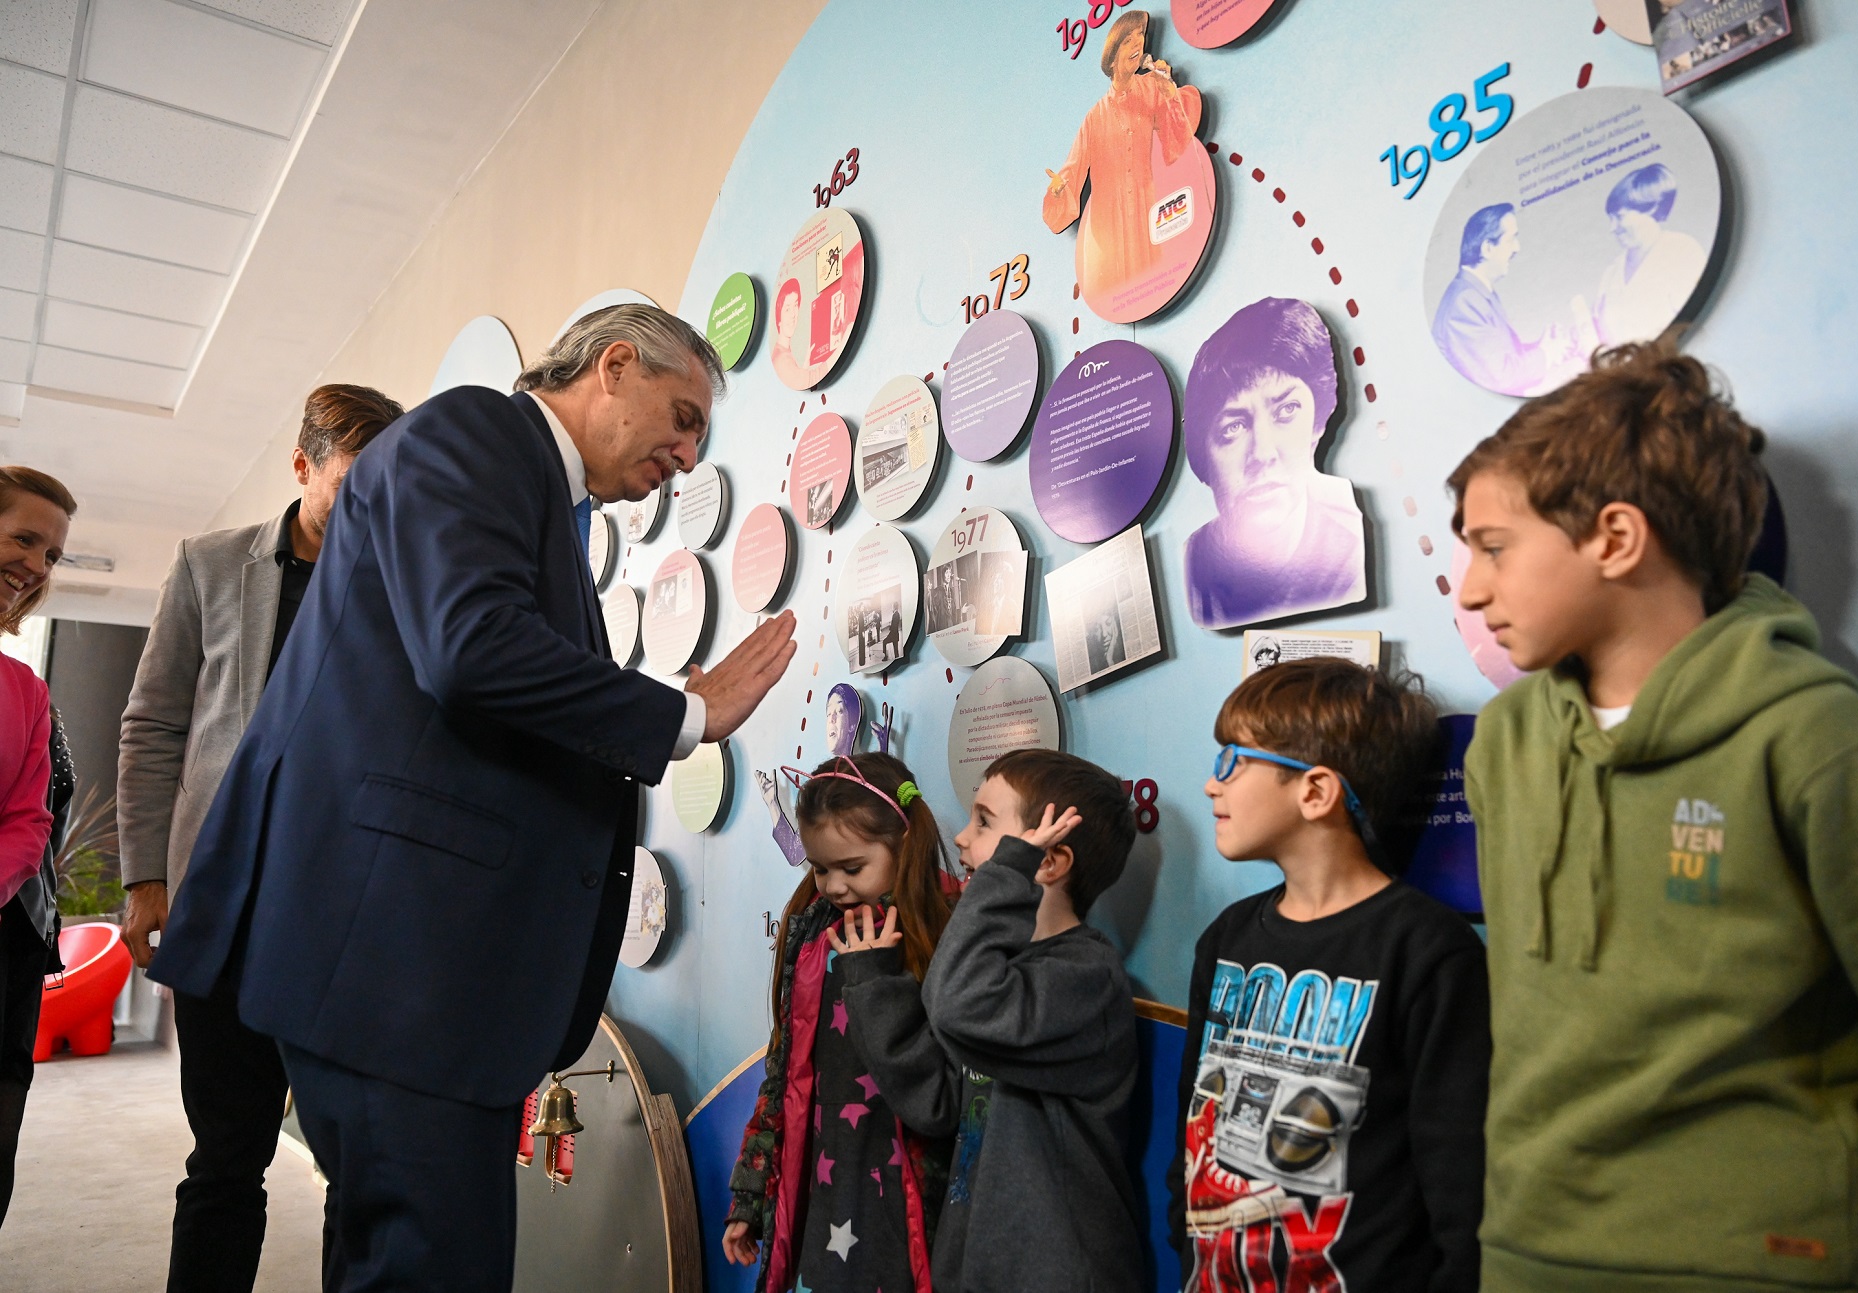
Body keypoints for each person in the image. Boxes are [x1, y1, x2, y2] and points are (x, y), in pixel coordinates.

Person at [147, 304, 798, 1291]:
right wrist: (683, 717)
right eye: (681, 416)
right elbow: (473, 649)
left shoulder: (529, 488)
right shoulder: (479, 431)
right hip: (399, 972)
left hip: (419, 979)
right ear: (613, 366)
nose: (686, 453)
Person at [1449, 342, 1858, 1292]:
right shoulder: (1504, 745)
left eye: (1494, 546)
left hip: (1758, 1261)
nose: (1469, 587)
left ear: (1617, 538)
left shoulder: (1818, 742)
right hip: (1528, 1251)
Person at [116, 384, 401, 1290]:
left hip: (344, 915)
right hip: (225, 903)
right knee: (226, 1156)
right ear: (303, 464)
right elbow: (154, 725)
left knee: (353, 1165)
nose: (374, 496)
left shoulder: (403, 579)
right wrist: (142, 878)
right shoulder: (210, 565)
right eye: (357, 473)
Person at [1169, 658, 1488, 1292]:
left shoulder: (1426, 949)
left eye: (1233, 760)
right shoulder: (1227, 938)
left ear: (1315, 792)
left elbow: (1459, 1181)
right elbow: (1192, 1124)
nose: (1212, 785)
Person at [845, 747, 1144, 1292]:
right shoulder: (1004, 972)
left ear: (1046, 862)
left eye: (984, 821)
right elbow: (935, 1103)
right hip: (978, 1265)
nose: (961, 837)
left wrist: (1007, 869)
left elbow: (959, 1006)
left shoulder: (1085, 978)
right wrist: (875, 987)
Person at [723, 753, 957, 1293]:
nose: (833, 886)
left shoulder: (946, 925)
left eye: (852, 868)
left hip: (914, 1204)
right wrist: (751, 1198)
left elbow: (954, 1091)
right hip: (823, 1195)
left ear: (903, 842)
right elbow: (782, 1073)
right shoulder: (811, 936)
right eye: (819, 867)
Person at [1183, 298, 1367, 629]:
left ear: (1317, 425)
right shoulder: (1191, 567)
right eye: (1233, 427)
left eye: (1286, 411)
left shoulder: (1348, 555)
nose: (1263, 453)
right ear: (1203, 455)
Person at [0, 467, 73, 1229]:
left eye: (51, 555)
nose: (37, 566)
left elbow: (30, 819)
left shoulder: (24, 689)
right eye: (24, 537)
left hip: (4, 945)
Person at [1043, 9, 1202, 304]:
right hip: (1111, 226)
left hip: (1146, 213)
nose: (1137, 45)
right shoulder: (1094, 117)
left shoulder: (1153, 87)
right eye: (1129, 40)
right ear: (1113, 54)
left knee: (1153, 284)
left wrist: (1169, 91)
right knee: (1121, 291)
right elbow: (1071, 172)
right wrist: (1058, 191)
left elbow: (1177, 140)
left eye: (1140, 37)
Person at [1430, 204, 1569, 396]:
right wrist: (1547, 354)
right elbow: (1501, 377)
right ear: (1487, 248)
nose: (1517, 248)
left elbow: (1497, 358)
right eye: (1511, 239)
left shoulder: (1476, 293)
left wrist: (1542, 345)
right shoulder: (1465, 302)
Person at [1590, 164, 1708, 348]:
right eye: (1610, 218)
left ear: (1651, 208)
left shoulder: (1682, 252)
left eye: (1620, 216)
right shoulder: (1611, 273)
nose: (1612, 228)